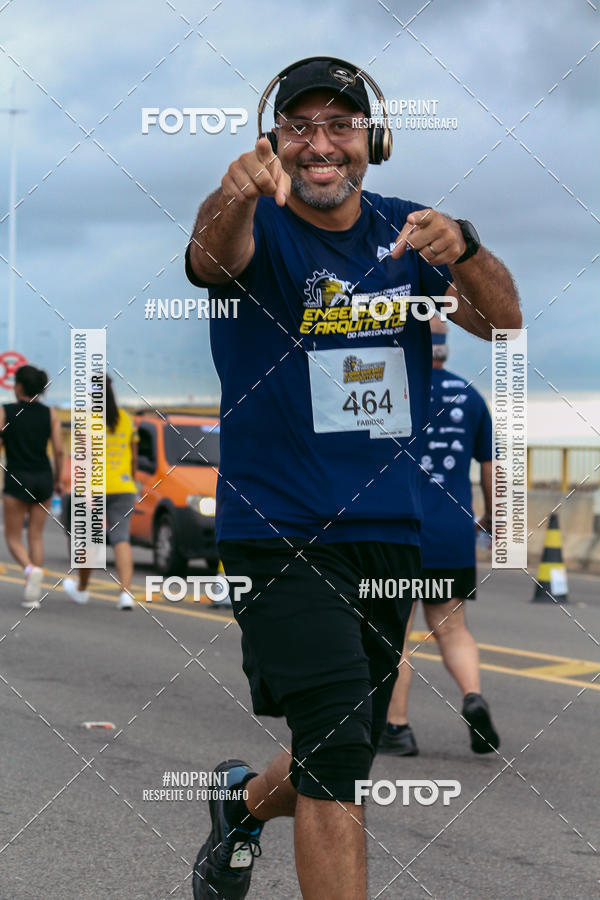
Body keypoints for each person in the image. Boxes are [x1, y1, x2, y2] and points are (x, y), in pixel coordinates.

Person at [185, 56, 521, 900]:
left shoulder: (408, 231)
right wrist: (232, 193)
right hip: (278, 530)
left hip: (387, 530)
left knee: (340, 749)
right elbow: (209, 256)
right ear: (275, 142)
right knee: (338, 749)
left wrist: (468, 248)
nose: (321, 145)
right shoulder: (256, 226)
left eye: (340, 126)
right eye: (301, 128)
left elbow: (504, 322)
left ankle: (241, 804)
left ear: (374, 139)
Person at [380, 317, 499, 757]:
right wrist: (491, 516)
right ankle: (473, 695)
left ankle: (397, 728)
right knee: (452, 626)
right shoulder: (470, 396)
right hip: (452, 528)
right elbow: (491, 466)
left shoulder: (389, 389)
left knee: (397, 632)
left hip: (401, 527)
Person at [62, 375, 138, 610]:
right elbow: (134, 457)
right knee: (121, 539)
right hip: (124, 486)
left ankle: (82, 589)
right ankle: (125, 594)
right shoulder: (126, 419)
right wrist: (130, 481)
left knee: (89, 542)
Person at [0, 365, 64, 608]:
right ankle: (33, 594)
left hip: (17, 479)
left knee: (13, 537)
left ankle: (29, 571)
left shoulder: (5, 411)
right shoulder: (50, 414)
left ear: (18, 387)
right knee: (35, 536)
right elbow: (58, 450)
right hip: (43, 480)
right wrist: (58, 479)